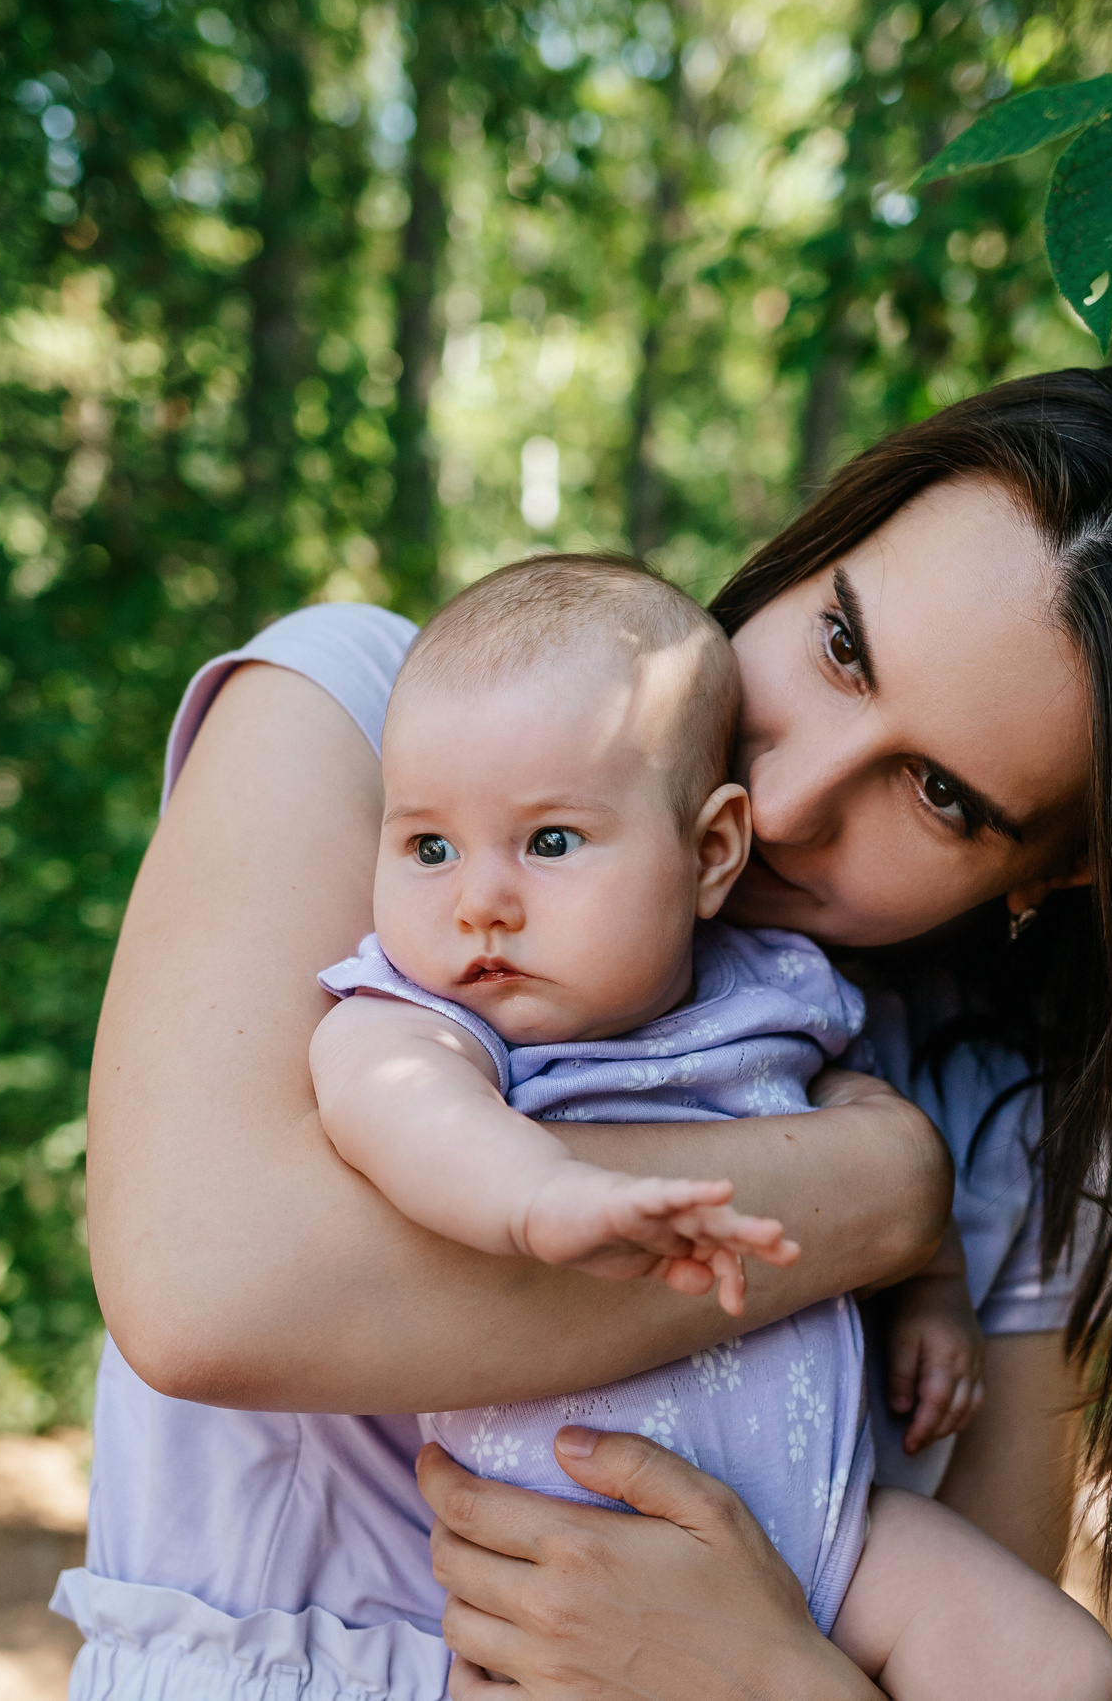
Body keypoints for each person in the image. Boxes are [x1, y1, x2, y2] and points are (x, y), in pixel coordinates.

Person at [58, 368, 1112, 1701]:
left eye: (940, 794)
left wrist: (775, 1678)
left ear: (1065, 871)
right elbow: (205, 1281)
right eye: (839, 644)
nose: (795, 789)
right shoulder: (383, 727)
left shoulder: (1014, 1131)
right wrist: (883, 1193)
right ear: (814, 543)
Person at [310, 555, 1048, 1693]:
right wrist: (539, 1193)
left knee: (1054, 1663)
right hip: (561, 1562)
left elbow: (875, 1151)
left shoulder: (779, 989)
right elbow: (397, 1112)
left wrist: (936, 1293)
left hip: (823, 1530)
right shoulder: (427, 1016)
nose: (478, 899)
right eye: (428, 847)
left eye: (549, 842)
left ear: (710, 852)